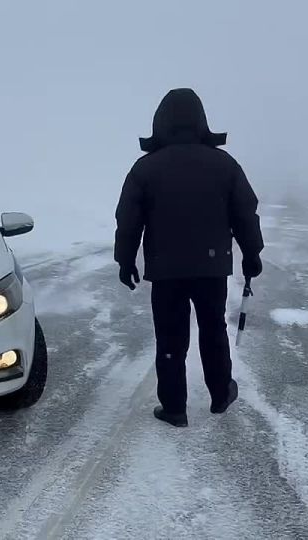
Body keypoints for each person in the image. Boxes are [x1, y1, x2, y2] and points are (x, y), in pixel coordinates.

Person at [114, 88, 264, 427]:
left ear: (161, 123)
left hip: (165, 270)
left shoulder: (145, 169)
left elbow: (128, 219)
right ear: (200, 121)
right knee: (213, 329)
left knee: (171, 337)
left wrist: (125, 260)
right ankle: (221, 392)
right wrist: (251, 253)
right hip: (212, 268)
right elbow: (245, 212)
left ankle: (174, 408)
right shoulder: (224, 165)